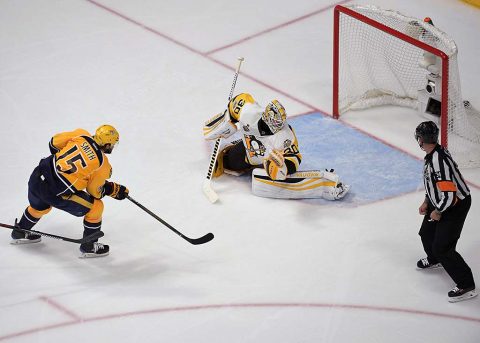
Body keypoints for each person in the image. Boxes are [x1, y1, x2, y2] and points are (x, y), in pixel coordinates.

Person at [11, 125, 129, 258]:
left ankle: (20, 231)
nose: (113, 147)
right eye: (113, 144)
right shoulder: (103, 165)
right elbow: (95, 192)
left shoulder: (81, 134)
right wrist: (111, 189)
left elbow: (53, 143)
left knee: (39, 207)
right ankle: (89, 246)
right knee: (96, 207)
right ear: (107, 144)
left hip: (37, 177)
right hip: (54, 193)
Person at [203, 93, 349, 200]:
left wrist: (283, 167)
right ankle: (232, 153)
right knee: (228, 162)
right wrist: (226, 121)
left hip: (268, 160)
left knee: (273, 177)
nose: (277, 127)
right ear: (266, 116)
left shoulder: (285, 135)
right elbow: (238, 102)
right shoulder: (249, 113)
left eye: (279, 123)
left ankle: (322, 184)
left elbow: (295, 158)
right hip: (249, 152)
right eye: (274, 123)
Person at [414, 121, 476, 302]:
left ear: (421, 140)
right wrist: (427, 201)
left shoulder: (438, 161)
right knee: (426, 233)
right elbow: (434, 184)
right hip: (440, 202)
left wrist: (438, 211)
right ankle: (434, 259)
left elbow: (450, 195)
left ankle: (466, 284)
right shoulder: (433, 153)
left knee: (443, 247)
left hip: (454, 206)